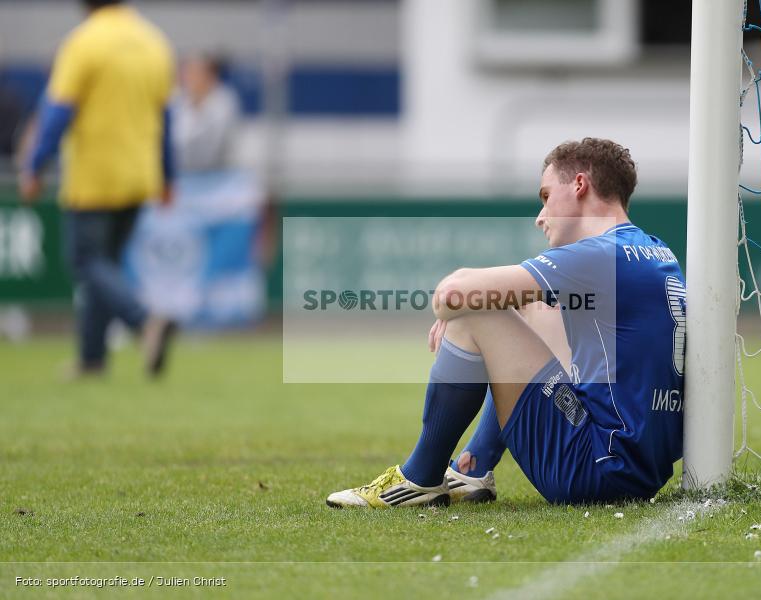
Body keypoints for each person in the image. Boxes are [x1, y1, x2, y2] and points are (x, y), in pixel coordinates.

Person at [327, 138, 685, 507]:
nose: (540, 216)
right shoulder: (654, 249)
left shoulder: (598, 255)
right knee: (535, 311)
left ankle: (419, 479)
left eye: (546, 197)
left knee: (475, 312)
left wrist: (457, 313)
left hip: (596, 469)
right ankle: (473, 467)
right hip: (637, 469)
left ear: (579, 185)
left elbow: (451, 294)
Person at [17, 0, 178, 377]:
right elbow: (166, 116)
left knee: (86, 261)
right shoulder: (154, 41)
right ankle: (92, 359)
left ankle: (145, 322)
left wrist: (36, 164)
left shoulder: (84, 42)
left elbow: (59, 109)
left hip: (96, 174)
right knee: (106, 264)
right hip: (141, 174)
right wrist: (169, 176)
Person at [172, 54, 240, 174]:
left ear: (210, 76)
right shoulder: (178, 100)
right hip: (183, 174)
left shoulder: (224, 103)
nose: (189, 78)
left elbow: (212, 150)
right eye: (187, 72)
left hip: (217, 173)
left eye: (195, 73)